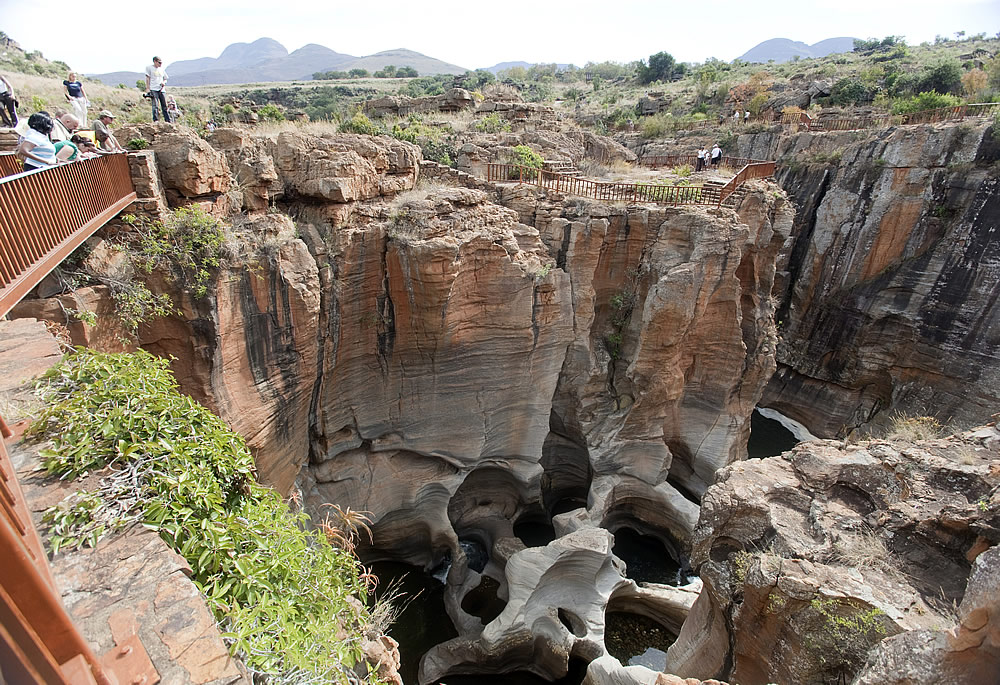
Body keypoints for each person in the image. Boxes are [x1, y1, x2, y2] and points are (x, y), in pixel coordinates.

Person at [145, 56, 170, 122]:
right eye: (159, 63)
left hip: (161, 89)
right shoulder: (149, 68)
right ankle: (155, 120)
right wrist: (147, 88)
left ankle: (167, 120)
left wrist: (163, 82)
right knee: (155, 105)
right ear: (155, 61)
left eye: (161, 63)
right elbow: (148, 78)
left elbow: (165, 78)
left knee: (164, 105)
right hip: (153, 88)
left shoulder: (161, 69)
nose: (160, 64)